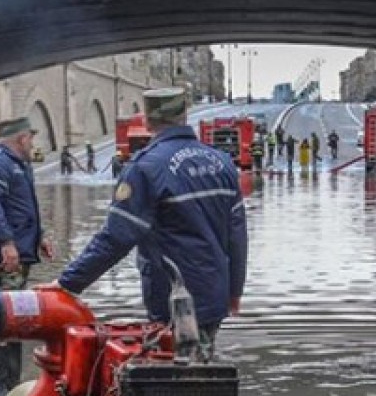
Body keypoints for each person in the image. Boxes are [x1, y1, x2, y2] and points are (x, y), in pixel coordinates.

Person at [54, 87, 247, 358]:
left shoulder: (145, 168)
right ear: (185, 114)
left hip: (173, 298)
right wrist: (235, 290)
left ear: (147, 121)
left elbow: (116, 238)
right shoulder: (222, 163)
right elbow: (237, 236)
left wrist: (67, 284)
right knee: (202, 363)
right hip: (214, 295)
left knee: (174, 370)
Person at [0, 117, 54, 396]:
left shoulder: (19, 165)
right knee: (0, 325)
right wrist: (6, 242)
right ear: (21, 138)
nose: (33, 143)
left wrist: (39, 237)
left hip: (18, 258)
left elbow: (22, 207)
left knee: (14, 324)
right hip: (2, 261)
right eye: (30, 137)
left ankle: (10, 390)